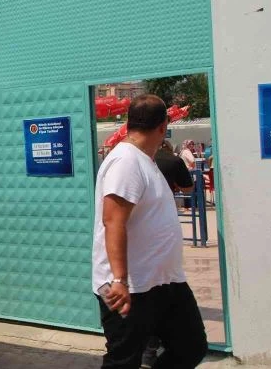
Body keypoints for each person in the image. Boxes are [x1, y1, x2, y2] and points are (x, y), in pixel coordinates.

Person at [92, 94, 207, 368]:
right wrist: (119, 279)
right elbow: (113, 221)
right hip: (129, 287)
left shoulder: (145, 159)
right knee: (123, 361)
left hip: (164, 282)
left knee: (191, 347)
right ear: (162, 126)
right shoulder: (126, 161)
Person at [155, 140, 195, 208]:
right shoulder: (176, 160)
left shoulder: (143, 158)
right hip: (165, 204)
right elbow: (187, 189)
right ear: (170, 149)